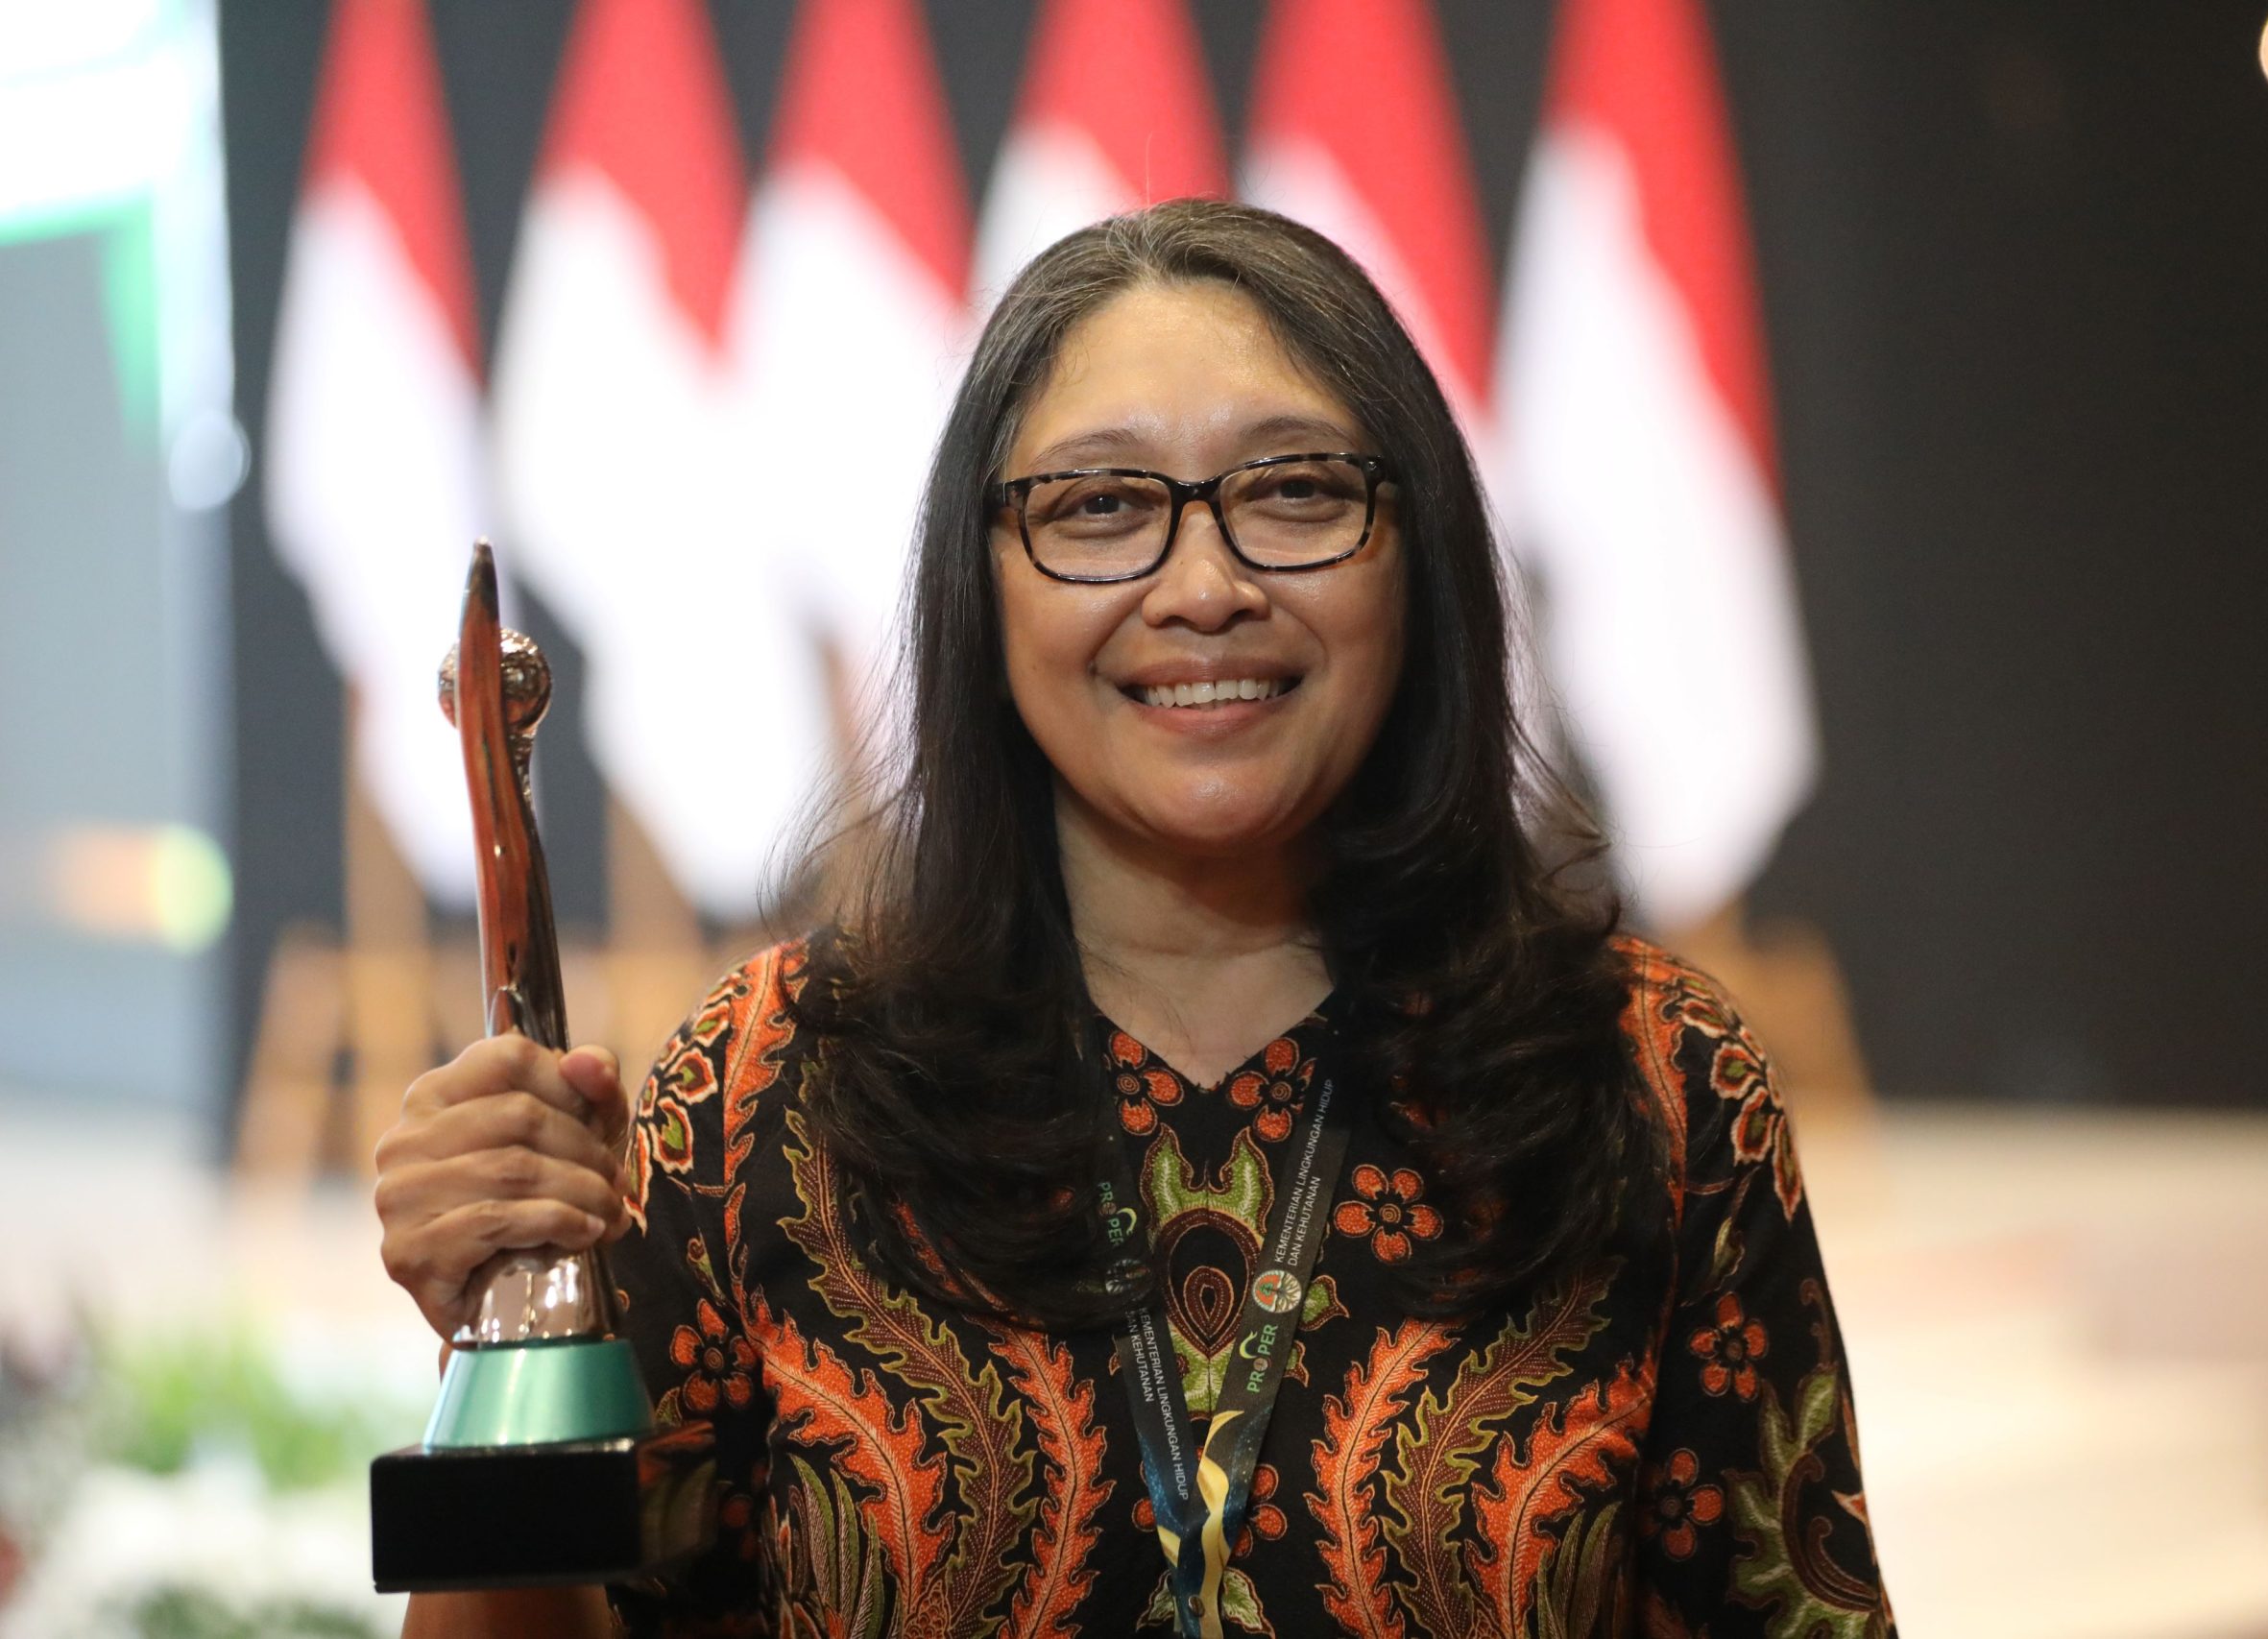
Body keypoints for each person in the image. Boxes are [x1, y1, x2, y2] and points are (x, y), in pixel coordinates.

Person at [374, 200, 1894, 1638]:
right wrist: (506, 1344)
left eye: (1295, 492)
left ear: (1415, 552)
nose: (1205, 585)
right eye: (1100, 508)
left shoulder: (1652, 1080)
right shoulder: (768, 1088)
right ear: (982, 586)